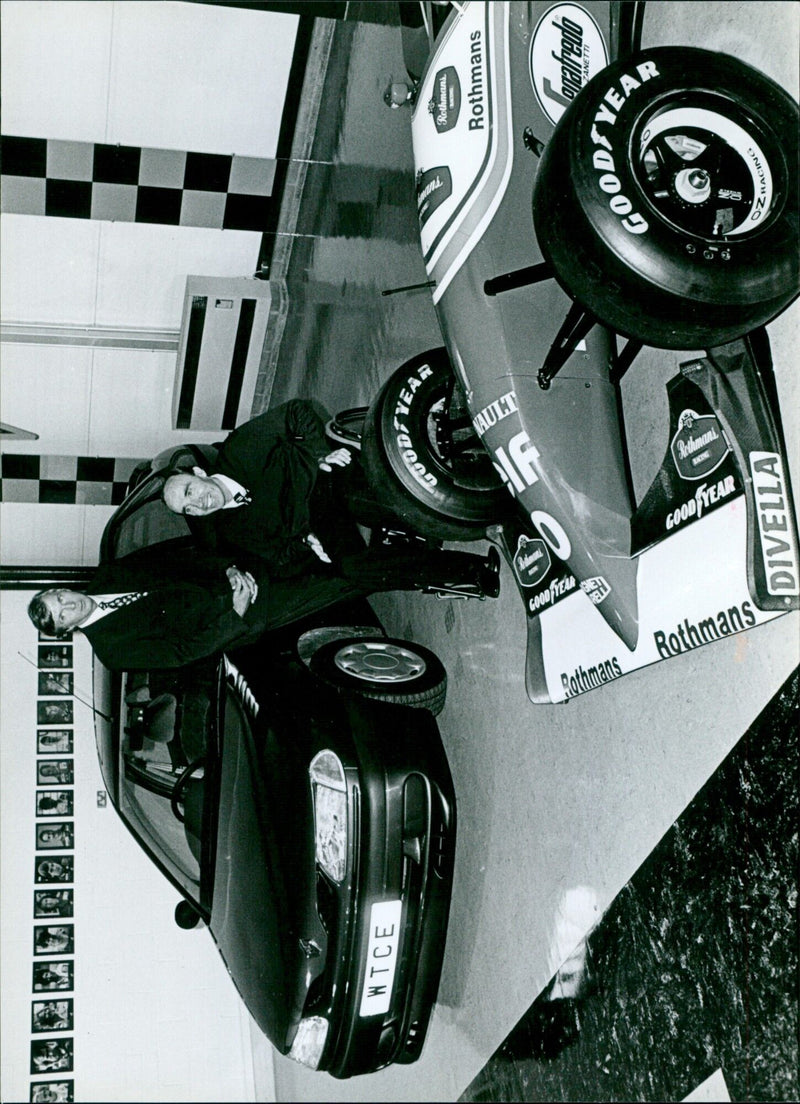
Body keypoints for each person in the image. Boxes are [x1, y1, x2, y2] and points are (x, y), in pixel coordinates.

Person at [161, 399, 500, 612]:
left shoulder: (240, 449)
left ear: (199, 472)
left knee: (364, 501)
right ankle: (472, 573)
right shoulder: (232, 532)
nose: (198, 503)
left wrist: (320, 452)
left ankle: (474, 510)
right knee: (353, 570)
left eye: (190, 491)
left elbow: (297, 412)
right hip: (317, 522)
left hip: (326, 475)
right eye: (188, 509)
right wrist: (308, 544)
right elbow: (279, 559)